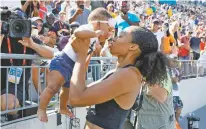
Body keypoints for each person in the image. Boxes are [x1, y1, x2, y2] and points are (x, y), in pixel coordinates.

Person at [68, 26, 168, 129]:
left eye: (120, 36)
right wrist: (86, 53)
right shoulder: (121, 72)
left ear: (133, 47)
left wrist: (81, 56)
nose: (113, 38)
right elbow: (82, 91)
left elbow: (76, 99)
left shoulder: (129, 75)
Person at [37, 8, 114, 123]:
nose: (110, 32)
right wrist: (93, 33)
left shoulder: (94, 40)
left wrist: (82, 72)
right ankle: (41, 108)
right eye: (108, 28)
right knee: (53, 87)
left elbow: (87, 56)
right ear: (98, 24)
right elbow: (77, 33)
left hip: (73, 66)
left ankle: (62, 107)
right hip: (63, 61)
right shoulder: (88, 28)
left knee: (66, 91)